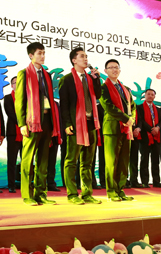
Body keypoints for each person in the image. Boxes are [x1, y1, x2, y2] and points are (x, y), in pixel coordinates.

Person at [15, 42, 61, 206]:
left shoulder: (46, 75)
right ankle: (27, 195)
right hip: (32, 122)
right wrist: (22, 123)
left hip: (47, 121)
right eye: (39, 53)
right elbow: (19, 101)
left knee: (43, 160)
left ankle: (41, 194)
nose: (42, 56)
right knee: (28, 159)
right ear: (31, 55)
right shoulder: (24, 74)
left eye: (44, 53)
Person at [58, 47, 102, 205]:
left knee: (88, 162)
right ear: (74, 60)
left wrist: (96, 79)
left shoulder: (90, 78)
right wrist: (67, 124)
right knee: (71, 160)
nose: (86, 59)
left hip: (90, 123)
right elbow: (64, 104)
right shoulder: (67, 79)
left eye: (86, 56)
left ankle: (87, 193)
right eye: (82, 56)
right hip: (75, 124)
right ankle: (71, 194)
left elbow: (98, 95)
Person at [99, 58, 136, 202]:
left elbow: (133, 106)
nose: (114, 70)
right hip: (112, 128)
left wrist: (131, 118)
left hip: (126, 129)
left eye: (116, 67)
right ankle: (111, 192)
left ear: (119, 70)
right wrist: (126, 118)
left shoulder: (125, 88)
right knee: (111, 162)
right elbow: (108, 107)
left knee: (123, 162)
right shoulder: (103, 88)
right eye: (111, 67)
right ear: (105, 71)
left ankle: (120, 190)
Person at [138, 89, 161, 188]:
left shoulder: (158, 109)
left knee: (156, 160)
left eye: (152, 94)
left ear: (154, 97)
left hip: (156, 137)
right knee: (144, 160)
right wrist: (151, 129)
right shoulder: (140, 107)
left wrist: (158, 128)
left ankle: (156, 181)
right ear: (145, 96)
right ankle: (145, 181)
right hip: (145, 137)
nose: (150, 96)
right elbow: (141, 121)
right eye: (148, 94)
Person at [3, 76, 23, 193]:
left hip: (26, 133)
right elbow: (10, 113)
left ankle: (26, 183)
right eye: (15, 83)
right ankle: (11, 184)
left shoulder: (27, 97)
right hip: (13, 133)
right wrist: (23, 123)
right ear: (12, 85)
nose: (17, 84)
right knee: (12, 160)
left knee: (26, 160)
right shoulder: (8, 98)